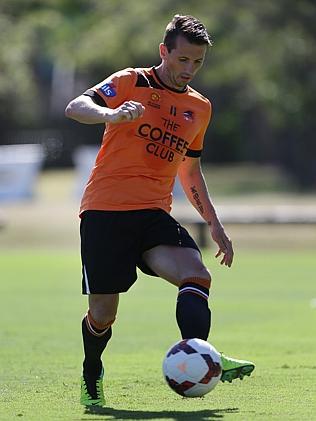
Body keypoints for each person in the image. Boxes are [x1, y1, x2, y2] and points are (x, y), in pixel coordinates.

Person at [65, 14, 255, 407]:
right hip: (104, 211)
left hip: (153, 214)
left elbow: (190, 169)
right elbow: (75, 106)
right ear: (164, 51)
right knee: (102, 315)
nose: (189, 69)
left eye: (197, 62)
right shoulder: (129, 82)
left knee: (196, 274)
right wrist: (110, 114)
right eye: (182, 59)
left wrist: (215, 225)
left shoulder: (199, 108)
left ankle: (202, 357)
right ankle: (91, 370)